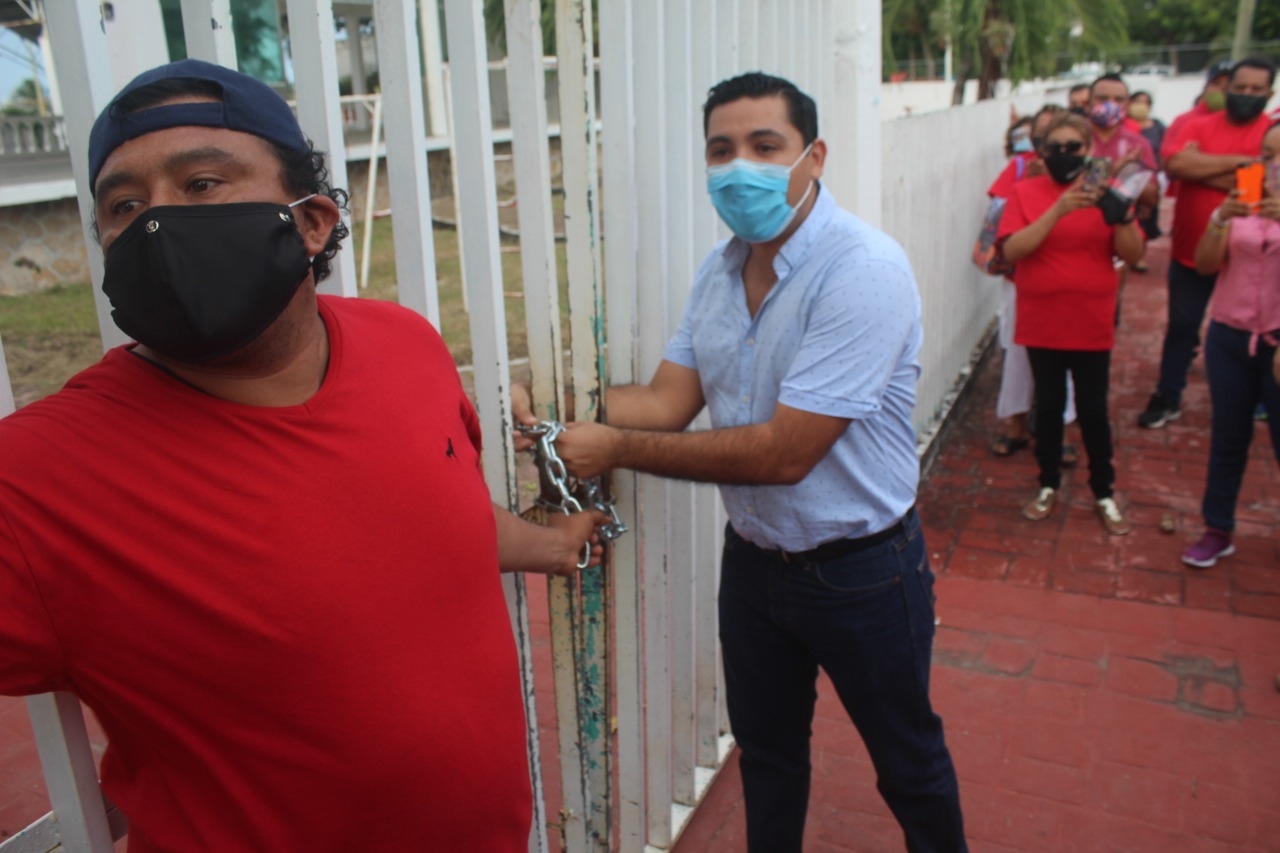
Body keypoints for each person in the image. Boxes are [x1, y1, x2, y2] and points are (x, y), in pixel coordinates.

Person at [0, 59, 606, 853]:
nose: (156, 221)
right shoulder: (36, 479)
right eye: (123, 204)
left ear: (312, 220)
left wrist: (550, 543)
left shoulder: (406, 344)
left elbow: (424, 511)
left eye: (202, 183)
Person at [516, 71, 967, 853]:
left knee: (908, 762)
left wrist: (615, 447)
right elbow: (664, 400)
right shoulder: (721, 269)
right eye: (721, 151)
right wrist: (554, 405)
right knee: (768, 756)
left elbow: (786, 453)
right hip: (755, 566)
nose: (738, 168)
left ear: (814, 156)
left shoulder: (863, 269)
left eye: (766, 146)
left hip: (861, 570)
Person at [997, 113, 1146, 534]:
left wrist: (1121, 215)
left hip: (1091, 319)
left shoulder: (1108, 193)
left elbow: (1133, 255)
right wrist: (1059, 209)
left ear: (1089, 151)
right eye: (1055, 148)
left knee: (1093, 410)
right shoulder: (1025, 192)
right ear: (1041, 152)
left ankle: (1104, 489)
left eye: (1074, 148)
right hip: (1042, 320)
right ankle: (1047, 484)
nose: (1065, 155)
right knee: (1047, 406)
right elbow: (1014, 249)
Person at [1139, 57, 1277, 429]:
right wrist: (1245, 165)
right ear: (1226, 86)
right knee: (1182, 327)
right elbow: (1176, 167)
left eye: (1256, 90)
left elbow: (1264, 189)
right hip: (1192, 247)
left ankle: (1261, 398)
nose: (1246, 95)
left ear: (1269, 93)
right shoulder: (1193, 124)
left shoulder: (1273, 131)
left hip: (1256, 260)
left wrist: (1203, 165)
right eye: (1240, 87)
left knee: (1260, 332)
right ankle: (1168, 394)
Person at [1181, 121, 1280, 567]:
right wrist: (1221, 220)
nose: (1273, 166)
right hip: (1229, 335)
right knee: (1228, 438)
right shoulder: (1242, 201)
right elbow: (1204, 265)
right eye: (1268, 155)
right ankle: (1218, 527)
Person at [988, 105, 1079, 462]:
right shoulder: (1021, 167)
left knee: (1069, 361)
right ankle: (1016, 426)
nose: (1058, 153)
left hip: (1070, 282)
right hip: (1021, 279)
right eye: (1045, 139)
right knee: (1018, 357)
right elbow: (998, 214)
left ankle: (1065, 429)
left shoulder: (1084, 176)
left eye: (1068, 144)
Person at [1128, 90, 1167, 247]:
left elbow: (1165, 151)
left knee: (1147, 217)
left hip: (1150, 179)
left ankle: (1140, 251)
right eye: (1137, 101)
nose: (1141, 105)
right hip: (1128, 178)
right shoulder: (1124, 127)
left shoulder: (1157, 126)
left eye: (1145, 102)